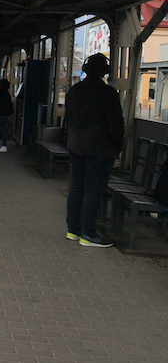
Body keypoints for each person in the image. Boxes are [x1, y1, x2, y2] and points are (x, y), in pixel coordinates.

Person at [64, 53, 124, 248]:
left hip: (76, 146)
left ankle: (73, 230)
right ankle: (88, 234)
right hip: (100, 149)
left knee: (77, 188)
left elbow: (68, 120)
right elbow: (116, 123)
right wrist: (118, 145)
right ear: (105, 71)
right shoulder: (107, 93)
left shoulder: (74, 91)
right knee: (93, 191)